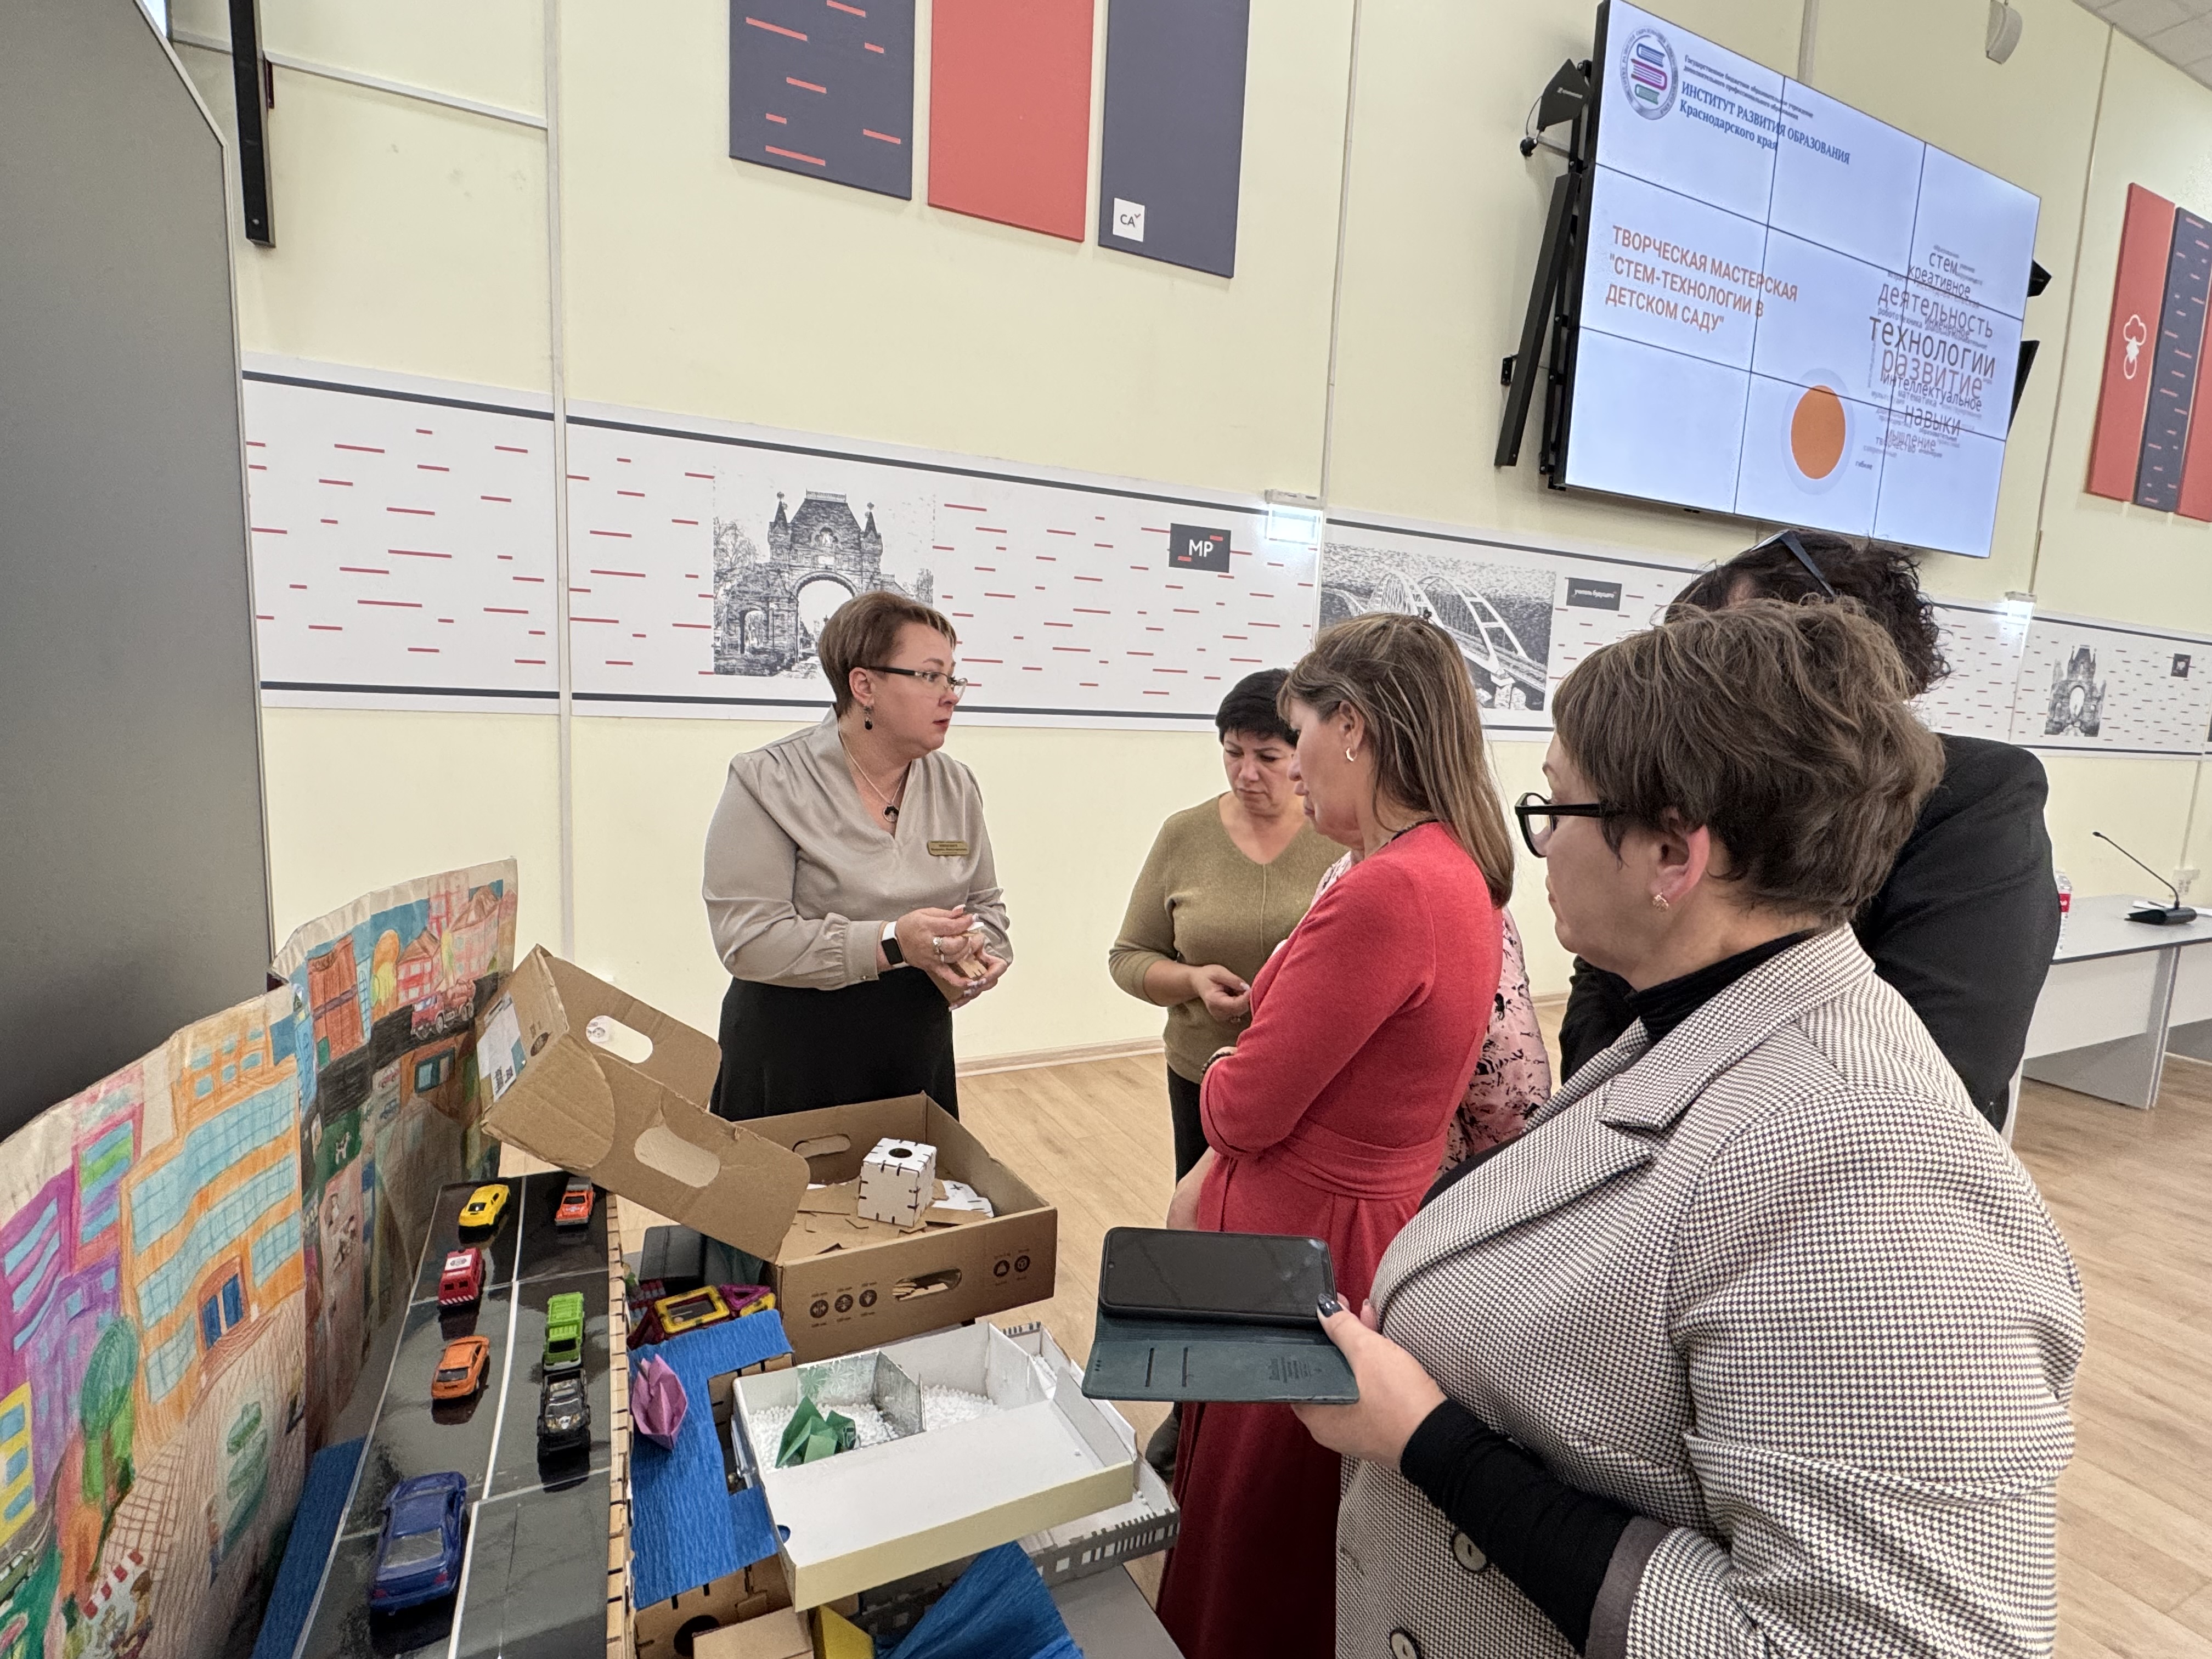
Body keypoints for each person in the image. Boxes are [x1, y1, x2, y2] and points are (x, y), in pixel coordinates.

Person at [1295, 601, 2083, 1659]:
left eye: (1556, 806)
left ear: (1671, 851)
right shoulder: (1693, 1023)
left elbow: (1884, 1641)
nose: (1541, 843)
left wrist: (1429, 1439)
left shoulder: (1867, 1163)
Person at [1154, 614, 1517, 1659]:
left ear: (1350, 726)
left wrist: (1229, 1066)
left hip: (1302, 1241)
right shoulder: (1448, 866)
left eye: (1299, 731)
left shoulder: (1386, 888)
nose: (1291, 764)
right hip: (1356, 1224)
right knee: (1302, 1516)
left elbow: (1242, 1106)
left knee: (1257, 1524)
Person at [1558, 529, 2060, 1130]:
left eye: (1724, 659)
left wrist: (1681, 1135)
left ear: (1838, 669)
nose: (1679, 701)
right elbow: (1605, 981)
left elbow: (1938, 1062)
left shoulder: (1976, 796)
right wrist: (1608, 1127)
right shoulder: (1681, 796)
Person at [702, 591, 1009, 1120]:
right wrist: (893, 943)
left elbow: (986, 907)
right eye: (930, 676)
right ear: (864, 685)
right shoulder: (768, 779)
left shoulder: (956, 785)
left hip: (914, 1046)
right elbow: (747, 939)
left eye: (953, 678)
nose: (951, 696)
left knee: (912, 1175)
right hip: (791, 1050)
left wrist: (978, 951)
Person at [1108, 669, 1343, 1183]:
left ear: (1304, 754)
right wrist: (1192, 980)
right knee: (1202, 1212)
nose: (1246, 774)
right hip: (1202, 1074)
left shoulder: (1342, 835)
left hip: (1311, 1081)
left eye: (1268, 758)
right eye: (1233, 753)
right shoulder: (1184, 834)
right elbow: (1128, 957)